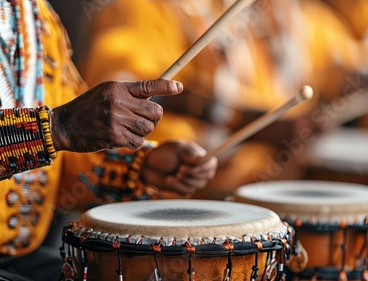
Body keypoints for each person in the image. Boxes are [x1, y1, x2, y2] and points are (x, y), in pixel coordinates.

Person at [0, 1, 218, 280]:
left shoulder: (37, 17)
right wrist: (56, 126)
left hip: (23, 259)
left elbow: (61, 164)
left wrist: (142, 167)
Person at [76, 0, 367, 199]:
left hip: (269, 194)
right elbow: (120, 93)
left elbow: (343, 63)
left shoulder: (283, 13)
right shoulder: (142, 9)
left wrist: (352, 80)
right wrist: (248, 122)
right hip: (171, 196)